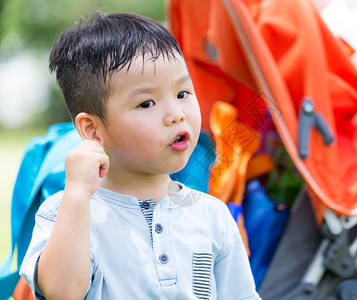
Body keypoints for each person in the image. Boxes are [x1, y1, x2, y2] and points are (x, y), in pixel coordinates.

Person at [19, 10, 260, 300]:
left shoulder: (212, 216)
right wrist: (77, 195)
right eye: (147, 103)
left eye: (183, 93)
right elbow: (61, 292)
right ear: (93, 130)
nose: (176, 115)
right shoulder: (66, 212)